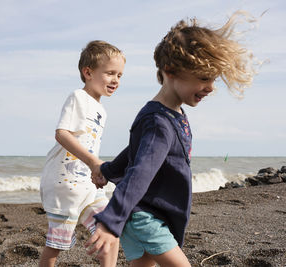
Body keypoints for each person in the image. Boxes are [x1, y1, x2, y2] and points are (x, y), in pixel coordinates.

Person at [85, 11, 259, 267]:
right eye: (203, 77)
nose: (211, 87)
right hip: (145, 217)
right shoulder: (159, 121)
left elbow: (136, 151)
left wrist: (108, 169)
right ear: (171, 70)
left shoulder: (169, 114)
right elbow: (140, 172)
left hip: (153, 213)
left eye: (213, 79)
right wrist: (111, 221)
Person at [39, 40, 126, 267]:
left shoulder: (101, 110)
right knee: (56, 245)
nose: (116, 80)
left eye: (120, 75)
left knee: (111, 229)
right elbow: (62, 134)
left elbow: (90, 145)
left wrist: (95, 169)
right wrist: (93, 162)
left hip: (87, 185)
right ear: (88, 72)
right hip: (64, 185)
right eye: (110, 73)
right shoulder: (78, 97)